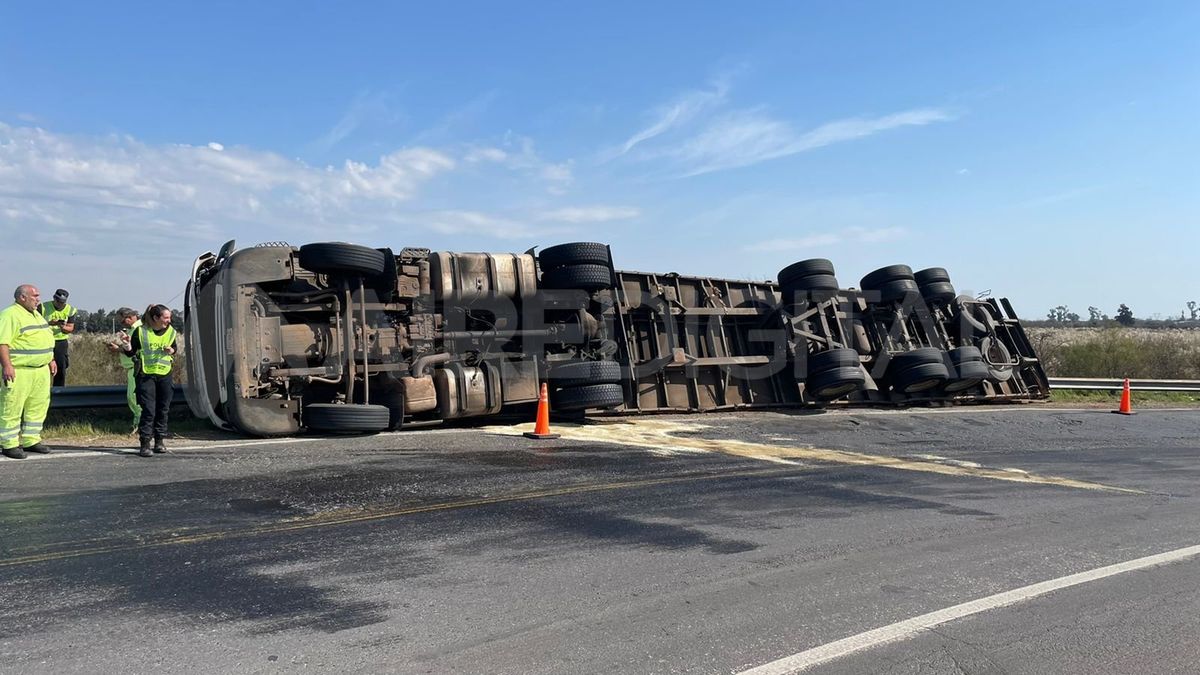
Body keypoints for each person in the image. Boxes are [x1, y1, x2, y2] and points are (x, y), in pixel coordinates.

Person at [0, 285, 57, 459]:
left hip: (40, 371)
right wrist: (7, 366)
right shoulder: (10, 315)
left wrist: (50, 359)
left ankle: (31, 440)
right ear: (22, 297)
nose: (38, 299)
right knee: (12, 406)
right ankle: (9, 444)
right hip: (19, 370)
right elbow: (3, 343)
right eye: (35, 296)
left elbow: (43, 339)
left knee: (38, 406)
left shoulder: (36, 314)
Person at [122, 304, 177, 457]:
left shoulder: (171, 331)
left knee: (163, 409)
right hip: (146, 375)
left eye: (169, 317)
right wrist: (127, 345)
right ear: (156, 318)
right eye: (166, 318)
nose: (169, 321)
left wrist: (172, 350)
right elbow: (131, 353)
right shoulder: (141, 332)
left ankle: (159, 441)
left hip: (164, 374)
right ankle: (145, 443)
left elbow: (174, 348)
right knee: (148, 410)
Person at [106, 307, 142, 432]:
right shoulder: (132, 329)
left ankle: (140, 423)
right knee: (132, 397)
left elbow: (133, 350)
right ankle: (139, 422)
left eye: (122, 321)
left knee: (134, 397)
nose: (121, 324)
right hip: (132, 367)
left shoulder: (138, 329)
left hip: (136, 367)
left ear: (130, 317)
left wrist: (118, 349)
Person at [41, 288, 77, 387]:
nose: (60, 304)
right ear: (54, 298)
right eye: (58, 301)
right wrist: (50, 323)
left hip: (60, 341)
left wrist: (62, 326)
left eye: (62, 302)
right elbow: (35, 323)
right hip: (44, 340)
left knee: (61, 366)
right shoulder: (43, 307)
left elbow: (70, 328)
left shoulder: (70, 310)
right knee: (43, 365)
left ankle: (59, 389)